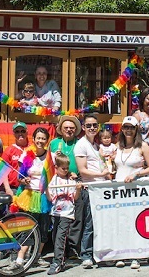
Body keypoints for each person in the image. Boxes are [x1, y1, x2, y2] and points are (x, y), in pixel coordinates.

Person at [114, 116, 149, 269]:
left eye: (131, 127)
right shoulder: (117, 146)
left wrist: (137, 174)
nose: (128, 130)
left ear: (136, 129)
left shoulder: (143, 146)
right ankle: (122, 254)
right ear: (122, 129)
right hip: (119, 190)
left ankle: (136, 256)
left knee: (135, 221)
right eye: (126, 127)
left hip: (136, 190)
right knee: (122, 222)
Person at [74, 114, 110, 269]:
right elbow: (82, 171)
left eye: (94, 125)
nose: (92, 128)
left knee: (100, 223)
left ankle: (98, 253)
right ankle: (86, 255)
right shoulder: (81, 145)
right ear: (83, 127)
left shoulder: (95, 145)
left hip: (100, 189)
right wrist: (102, 175)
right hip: (89, 189)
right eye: (88, 126)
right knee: (89, 223)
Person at [14, 127, 53, 269]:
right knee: (27, 228)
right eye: (38, 138)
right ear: (34, 139)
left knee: (43, 228)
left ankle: (36, 256)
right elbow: (19, 177)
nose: (40, 141)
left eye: (43, 138)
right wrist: (23, 181)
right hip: (29, 196)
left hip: (43, 196)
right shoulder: (26, 154)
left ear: (47, 140)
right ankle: (20, 259)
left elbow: (54, 175)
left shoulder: (51, 157)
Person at [48, 115, 82, 261]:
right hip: (58, 182)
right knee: (58, 218)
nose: (69, 130)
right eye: (66, 127)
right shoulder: (54, 143)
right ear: (61, 130)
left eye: (72, 128)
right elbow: (49, 163)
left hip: (75, 180)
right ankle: (58, 250)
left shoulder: (80, 143)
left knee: (74, 217)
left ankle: (72, 250)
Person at [47, 154, 83, 275]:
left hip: (67, 213)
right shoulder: (53, 179)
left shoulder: (71, 180)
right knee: (54, 236)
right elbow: (50, 197)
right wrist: (46, 189)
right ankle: (61, 257)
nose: (66, 170)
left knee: (60, 238)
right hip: (55, 212)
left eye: (67, 168)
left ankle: (58, 262)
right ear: (56, 167)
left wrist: (77, 189)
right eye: (63, 168)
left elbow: (75, 197)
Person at [2, 122, 29, 191]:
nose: (20, 134)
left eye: (22, 131)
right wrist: (8, 189)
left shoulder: (32, 149)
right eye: (17, 132)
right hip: (14, 188)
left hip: (30, 188)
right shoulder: (9, 150)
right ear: (13, 134)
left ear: (27, 132)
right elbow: (3, 171)